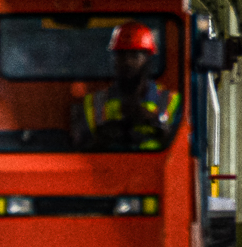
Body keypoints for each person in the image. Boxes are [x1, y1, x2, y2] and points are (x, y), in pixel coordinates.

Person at [71, 21, 181, 150]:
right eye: (121, 55)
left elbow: (182, 148)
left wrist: (155, 122)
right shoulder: (94, 102)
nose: (127, 61)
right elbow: (78, 151)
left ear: (147, 58)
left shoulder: (170, 100)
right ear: (114, 59)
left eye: (135, 55)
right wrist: (102, 138)